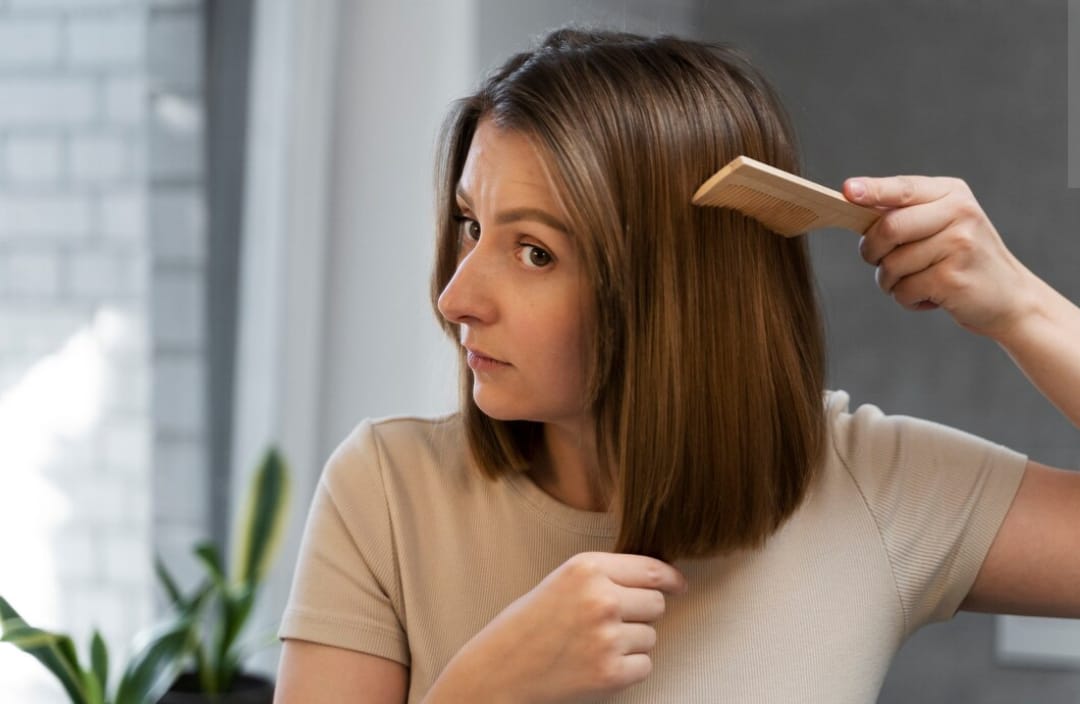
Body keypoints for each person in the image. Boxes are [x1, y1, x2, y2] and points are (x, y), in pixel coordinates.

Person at [273, 28, 1080, 703]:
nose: (456, 297)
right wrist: (484, 687)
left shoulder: (870, 484)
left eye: (534, 251)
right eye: (468, 224)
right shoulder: (383, 492)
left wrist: (1023, 308)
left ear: (676, 291)